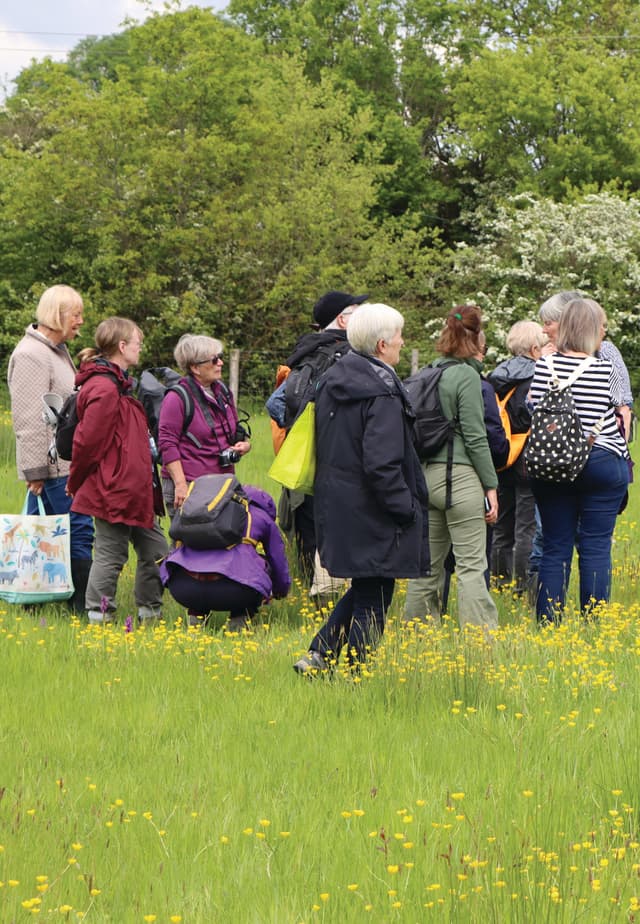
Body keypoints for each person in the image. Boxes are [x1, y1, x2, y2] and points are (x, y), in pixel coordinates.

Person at [293, 303, 429, 675]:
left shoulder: (335, 379)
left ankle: (319, 654)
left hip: (338, 500)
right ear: (383, 345)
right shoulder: (381, 391)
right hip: (373, 506)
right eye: (399, 336)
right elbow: (382, 463)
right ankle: (357, 675)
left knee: (369, 584)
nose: (403, 342)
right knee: (376, 593)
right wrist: (406, 508)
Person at [528, 298, 629, 623]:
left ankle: (548, 621)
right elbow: (618, 407)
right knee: (596, 546)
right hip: (601, 459)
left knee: (555, 546)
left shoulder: (545, 366)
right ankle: (593, 622)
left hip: (552, 464)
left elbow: (533, 408)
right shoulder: (605, 367)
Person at [403, 305, 499, 631]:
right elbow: (475, 436)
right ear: (477, 338)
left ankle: (416, 636)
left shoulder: (428, 373)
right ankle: (480, 639)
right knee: (472, 565)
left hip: (426, 477)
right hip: (461, 480)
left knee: (427, 567)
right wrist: (491, 486)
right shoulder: (467, 376)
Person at [66, 317, 168, 625]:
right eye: (137, 343)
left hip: (136, 490)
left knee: (157, 550)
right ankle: (100, 617)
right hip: (113, 488)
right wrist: (76, 480)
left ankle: (150, 614)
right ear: (122, 347)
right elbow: (87, 443)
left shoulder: (120, 384)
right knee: (111, 555)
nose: (140, 348)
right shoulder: (103, 387)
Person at [266, 289, 367, 597]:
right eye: (356, 312)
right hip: (340, 458)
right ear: (342, 319)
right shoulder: (348, 355)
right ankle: (331, 596)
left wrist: (303, 429)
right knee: (338, 525)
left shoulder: (306, 352)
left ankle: (313, 591)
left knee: (309, 527)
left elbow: (275, 405)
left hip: (304, 458)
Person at [7, 284, 94, 612]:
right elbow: (28, 419)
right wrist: (36, 472)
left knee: (61, 533)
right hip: (51, 468)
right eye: (76, 314)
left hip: (66, 464)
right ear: (57, 315)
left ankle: (41, 602)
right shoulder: (31, 355)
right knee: (77, 531)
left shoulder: (56, 350)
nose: (81, 321)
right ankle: (79, 610)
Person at [160, 485, 290, 630]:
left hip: (182, 587)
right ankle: (239, 618)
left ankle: (196, 617)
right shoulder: (260, 516)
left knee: (200, 562)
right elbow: (278, 560)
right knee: (262, 564)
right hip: (234, 591)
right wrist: (279, 591)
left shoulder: (201, 509)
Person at [158, 334, 251, 517]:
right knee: (189, 545)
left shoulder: (223, 392)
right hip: (190, 486)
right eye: (214, 359)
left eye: (221, 358)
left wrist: (245, 445)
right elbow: (167, 444)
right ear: (195, 368)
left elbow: (234, 430)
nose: (220, 363)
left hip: (222, 484)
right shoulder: (177, 398)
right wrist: (180, 484)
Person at [488, 320, 545, 595]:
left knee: (501, 525)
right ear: (535, 348)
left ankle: (498, 582)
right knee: (526, 528)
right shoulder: (538, 376)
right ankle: (522, 587)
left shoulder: (496, 376)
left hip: (500, 459)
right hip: (527, 460)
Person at [539, 290, 634, 438]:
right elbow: (533, 405)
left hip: (599, 443)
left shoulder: (605, 351)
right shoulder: (546, 359)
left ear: (567, 321)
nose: (543, 330)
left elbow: (624, 405)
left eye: (548, 323)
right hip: (561, 448)